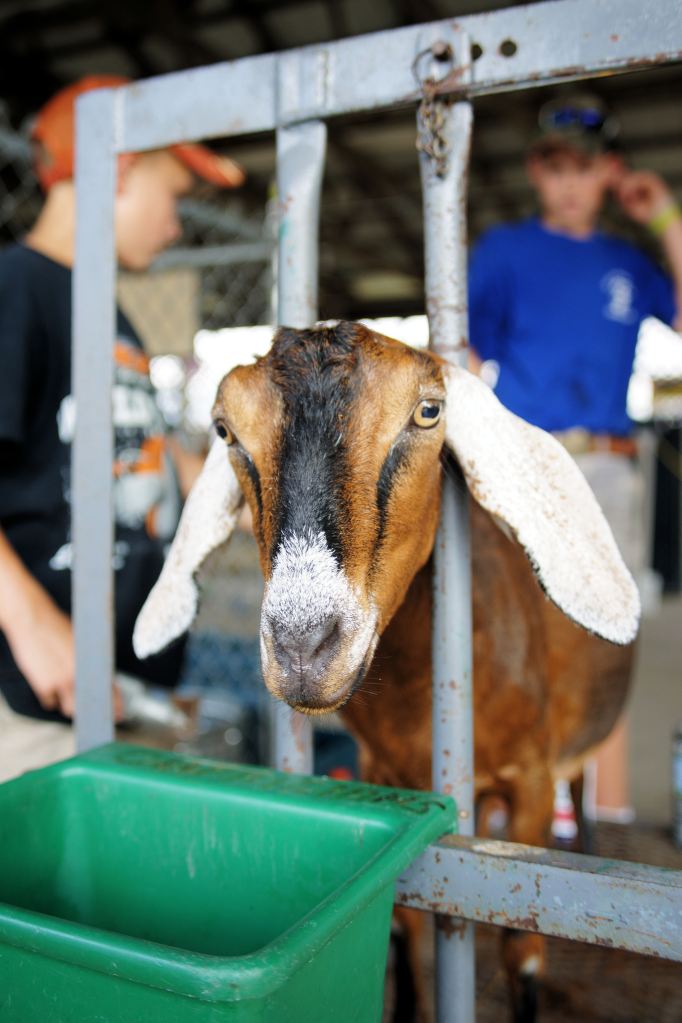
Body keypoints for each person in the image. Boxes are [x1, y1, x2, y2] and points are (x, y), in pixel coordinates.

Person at [0, 75, 244, 782]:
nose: (174, 226)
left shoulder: (113, 315)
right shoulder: (19, 288)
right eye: (171, 197)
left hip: (113, 684)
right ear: (118, 168)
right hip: (33, 697)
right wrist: (32, 625)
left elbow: (145, 460)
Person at [467, 92, 682, 823]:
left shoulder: (630, 261)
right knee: (510, 632)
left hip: (608, 471)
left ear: (609, 172)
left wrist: (665, 217)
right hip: (524, 464)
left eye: (584, 168)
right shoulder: (505, 251)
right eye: (554, 166)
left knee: (603, 633)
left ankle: (604, 811)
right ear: (535, 170)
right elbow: (465, 354)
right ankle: (516, 795)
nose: (568, 182)